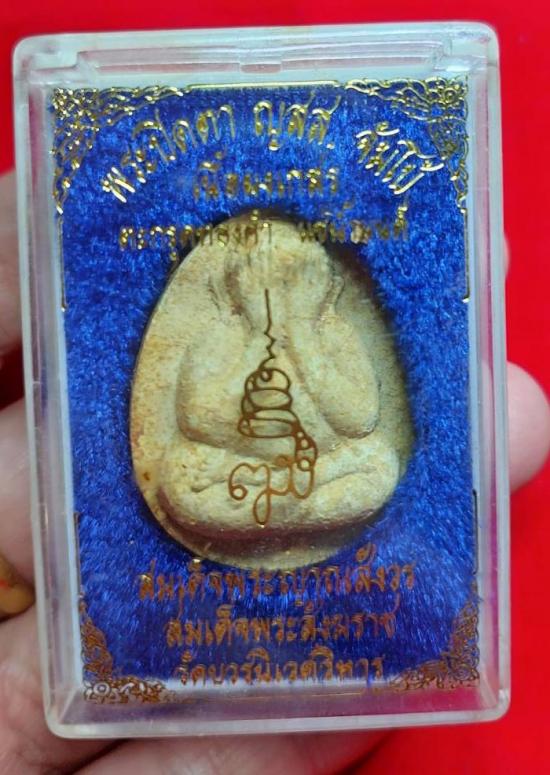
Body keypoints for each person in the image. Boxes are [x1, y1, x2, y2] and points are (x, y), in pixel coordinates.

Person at [0, 170, 547, 774]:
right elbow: (199, 418)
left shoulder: (331, 334)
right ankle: (286, 504)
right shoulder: (219, 337)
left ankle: (292, 505)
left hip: (319, 469)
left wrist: (300, 340)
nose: (276, 298)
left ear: (321, 286)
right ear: (234, 288)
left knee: (378, 463)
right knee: (179, 473)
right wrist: (254, 407)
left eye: (293, 284)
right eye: (262, 286)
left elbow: (359, 418)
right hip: (240, 472)